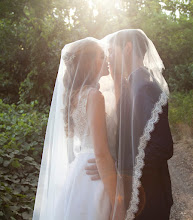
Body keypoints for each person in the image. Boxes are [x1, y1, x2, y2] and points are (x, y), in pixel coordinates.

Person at [85, 29, 173, 220]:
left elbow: (162, 147)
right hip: (137, 194)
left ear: (127, 48)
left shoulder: (146, 87)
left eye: (112, 51)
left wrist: (118, 166)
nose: (109, 57)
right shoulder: (132, 84)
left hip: (150, 196)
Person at [32, 37, 118, 220]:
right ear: (89, 62)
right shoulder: (94, 96)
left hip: (80, 170)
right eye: (101, 56)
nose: (107, 60)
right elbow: (101, 153)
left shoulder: (75, 96)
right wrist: (118, 203)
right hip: (95, 174)